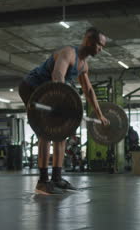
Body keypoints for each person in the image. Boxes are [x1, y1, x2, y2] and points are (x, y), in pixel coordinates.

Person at [19, 27, 109, 195]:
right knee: (46, 132)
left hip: (52, 93)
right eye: (99, 45)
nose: (100, 49)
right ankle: (43, 182)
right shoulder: (69, 53)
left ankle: (57, 178)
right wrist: (62, 104)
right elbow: (57, 76)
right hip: (31, 87)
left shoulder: (83, 65)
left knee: (61, 132)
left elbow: (89, 91)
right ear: (89, 41)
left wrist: (100, 114)